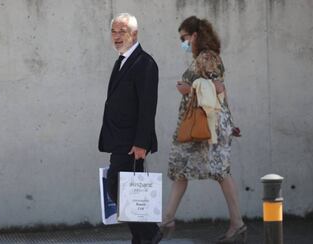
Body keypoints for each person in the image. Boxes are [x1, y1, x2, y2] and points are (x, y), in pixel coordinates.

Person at [161, 16, 246, 243]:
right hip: (204, 124)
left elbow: (217, 88)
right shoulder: (204, 57)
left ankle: (236, 224)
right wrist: (231, 119)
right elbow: (219, 91)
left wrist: (188, 89)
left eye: (184, 38)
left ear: (195, 36)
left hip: (207, 124)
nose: (183, 42)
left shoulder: (206, 57)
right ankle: (167, 220)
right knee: (185, 167)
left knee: (218, 171)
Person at [98, 13, 162, 244]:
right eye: (113, 32)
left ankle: (150, 233)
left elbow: (147, 107)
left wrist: (141, 143)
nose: (116, 37)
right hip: (120, 139)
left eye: (121, 32)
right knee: (123, 190)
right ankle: (142, 237)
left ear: (134, 34)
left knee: (120, 187)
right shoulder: (122, 61)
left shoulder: (144, 63)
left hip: (132, 142)